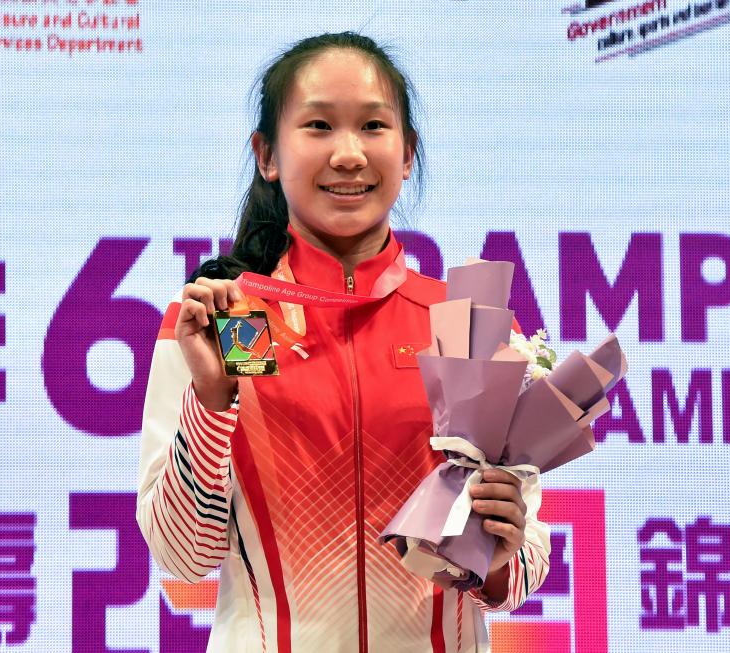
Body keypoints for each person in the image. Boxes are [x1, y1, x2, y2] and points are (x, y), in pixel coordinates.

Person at [136, 32, 550, 653]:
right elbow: (183, 555)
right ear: (267, 154)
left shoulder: (465, 325)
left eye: (373, 126)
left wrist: (500, 550)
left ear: (407, 154)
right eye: (319, 126)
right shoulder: (231, 321)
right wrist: (213, 402)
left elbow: (523, 563)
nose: (349, 154)